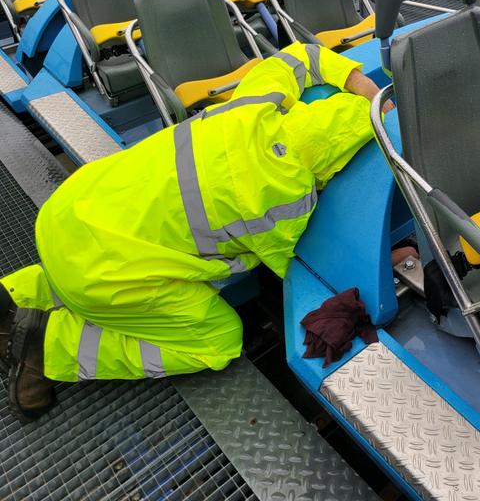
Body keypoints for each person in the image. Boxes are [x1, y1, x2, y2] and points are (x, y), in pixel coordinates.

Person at [0, 42, 406, 422]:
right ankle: (48, 347)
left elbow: (300, 55)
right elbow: (318, 272)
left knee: (98, 255)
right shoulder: (285, 205)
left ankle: (14, 297)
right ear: (327, 173)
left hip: (69, 212)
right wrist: (387, 261)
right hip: (103, 274)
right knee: (219, 340)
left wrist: (359, 84)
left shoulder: (255, 106)